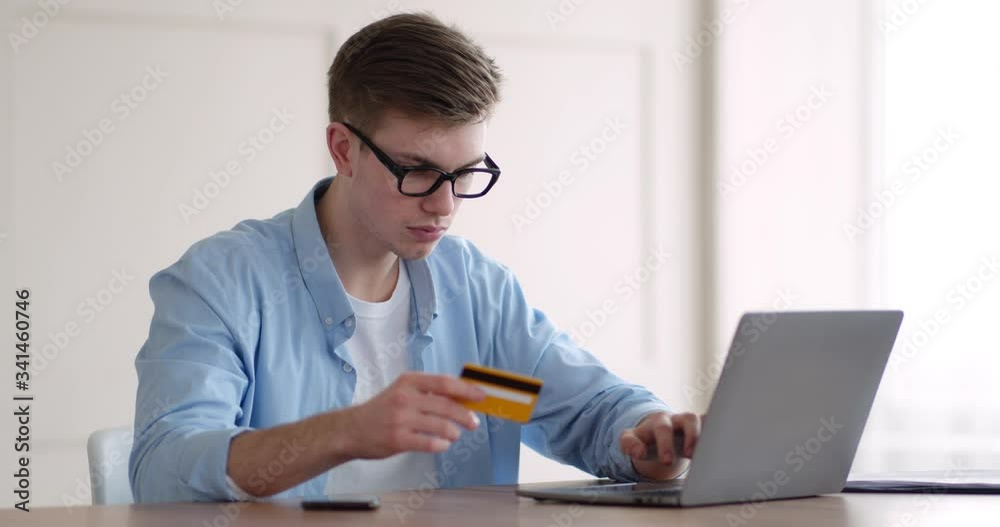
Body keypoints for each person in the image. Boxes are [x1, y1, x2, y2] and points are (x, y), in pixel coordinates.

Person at [128, 12, 701, 503]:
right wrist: (344, 432)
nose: (445, 205)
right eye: (419, 171)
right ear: (342, 148)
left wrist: (650, 439)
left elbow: (582, 409)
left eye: (464, 174)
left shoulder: (476, 290)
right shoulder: (222, 283)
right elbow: (164, 469)